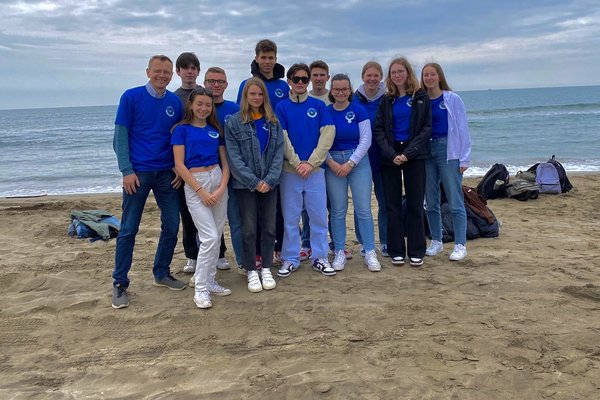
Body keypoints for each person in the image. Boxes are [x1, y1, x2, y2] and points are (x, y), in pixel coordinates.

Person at [111, 55, 186, 309]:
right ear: (148, 72)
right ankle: (120, 283)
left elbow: (179, 137)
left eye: (166, 72)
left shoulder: (174, 102)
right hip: (138, 173)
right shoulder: (131, 97)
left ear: (171, 74)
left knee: (172, 225)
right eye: (158, 71)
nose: (162, 75)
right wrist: (126, 170)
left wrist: (179, 168)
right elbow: (120, 136)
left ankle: (161, 273)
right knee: (129, 229)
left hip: (167, 173)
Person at [172, 87, 231, 309]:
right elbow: (179, 164)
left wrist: (221, 187)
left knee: (217, 233)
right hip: (196, 184)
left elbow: (225, 163)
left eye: (208, 105)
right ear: (191, 104)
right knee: (209, 238)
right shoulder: (181, 130)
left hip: (217, 180)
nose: (204, 108)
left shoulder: (216, 129)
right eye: (200, 104)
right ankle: (200, 289)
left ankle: (210, 280)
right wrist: (200, 191)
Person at [275, 63, 335, 278]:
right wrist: (296, 162)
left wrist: (311, 163)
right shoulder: (281, 107)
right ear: (289, 82)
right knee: (291, 218)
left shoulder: (319, 107)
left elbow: (327, 136)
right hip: (290, 172)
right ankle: (290, 258)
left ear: (308, 82)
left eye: (304, 79)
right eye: (296, 79)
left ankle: (320, 256)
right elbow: (282, 137)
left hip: (315, 172)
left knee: (318, 216)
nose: (300, 82)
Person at [225, 77, 284, 292]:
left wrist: (268, 180)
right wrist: (253, 181)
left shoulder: (273, 121)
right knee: (248, 229)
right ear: (245, 96)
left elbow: (278, 153)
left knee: (269, 228)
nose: (257, 98)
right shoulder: (233, 122)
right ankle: (251, 270)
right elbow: (234, 157)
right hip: (245, 185)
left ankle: (266, 268)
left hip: (270, 184)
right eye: (252, 94)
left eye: (260, 94)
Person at [373, 57, 431, 267]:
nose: (397, 75)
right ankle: (396, 250)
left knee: (415, 204)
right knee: (392, 205)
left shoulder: (420, 96)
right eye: (393, 72)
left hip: (414, 155)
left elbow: (426, 128)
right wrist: (391, 154)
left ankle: (416, 250)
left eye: (400, 71)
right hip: (391, 156)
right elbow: (378, 129)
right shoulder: (386, 100)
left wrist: (409, 153)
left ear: (408, 73)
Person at [236, 39, 288, 268]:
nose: (267, 62)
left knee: (278, 207)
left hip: (277, 152)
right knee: (252, 212)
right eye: (263, 58)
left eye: (271, 58)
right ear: (256, 58)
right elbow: (242, 117)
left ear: (276, 59)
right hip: (252, 155)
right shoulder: (246, 85)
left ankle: (278, 249)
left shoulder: (283, 86)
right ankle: (256, 253)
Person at [325, 74, 381, 272]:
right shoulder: (326, 112)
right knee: (338, 211)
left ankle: (369, 250)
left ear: (350, 90)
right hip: (333, 163)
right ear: (331, 91)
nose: (341, 93)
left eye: (344, 89)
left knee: (363, 209)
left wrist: (350, 163)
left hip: (357, 163)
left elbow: (366, 140)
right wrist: (331, 162)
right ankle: (339, 250)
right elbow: (321, 141)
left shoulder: (358, 110)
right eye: (337, 89)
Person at [421, 62, 471, 261]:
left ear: (439, 77)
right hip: (427, 150)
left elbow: (462, 128)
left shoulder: (452, 99)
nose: (429, 78)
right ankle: (436, 240)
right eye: (425, 75)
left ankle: (460, 244)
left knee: (454, 199)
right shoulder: (421, 99)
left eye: (432, 74)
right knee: (430, 200)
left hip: (448, 150)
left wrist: (465, 157)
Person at [203, 67, 243, 270]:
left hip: (233, 173)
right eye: (211, 81)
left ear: (226, 85)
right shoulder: (199, 107)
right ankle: (211, 259)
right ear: (205, 83)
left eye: (220, 81)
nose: (216, 85)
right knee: (206, 223)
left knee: (235, 220)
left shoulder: (234, 109)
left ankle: (243, 262)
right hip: (203, 174)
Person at [353, 61, 388, 257]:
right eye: (369, 76)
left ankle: (385, 241)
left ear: (381, 77)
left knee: (385, 202)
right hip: (362, 159)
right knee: (361, 204)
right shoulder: (355, 99)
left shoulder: (387, 98)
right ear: (363, 77)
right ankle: (363, 241)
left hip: (384, 158)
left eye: (376, 76)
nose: (372, 79)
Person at [300, 60, 331, 262]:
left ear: (328, 76)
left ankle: (331, 243)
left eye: (322, 75)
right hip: (309, 162)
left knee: (328, 205)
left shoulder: (333, 96)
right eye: (315, 75)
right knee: (306, 206)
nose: (318, 78)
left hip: (332, 159)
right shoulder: (304, 98)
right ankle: (305, 243)